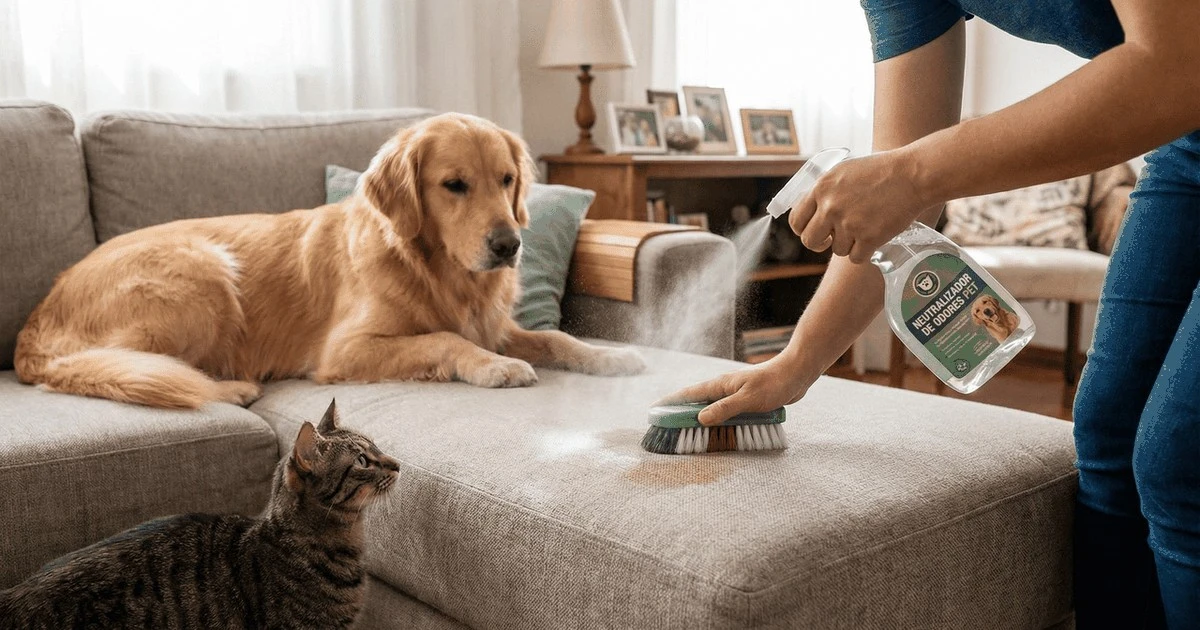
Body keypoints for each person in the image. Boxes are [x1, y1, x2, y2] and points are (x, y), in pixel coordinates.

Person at [663, 2, 1200, 626]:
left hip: (1183, 99)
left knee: (1178, 459)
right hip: (1186, 153)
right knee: (1109, 437)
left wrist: (911, 173)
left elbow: (1179, 65)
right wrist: (795, 365)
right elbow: (903, 205)